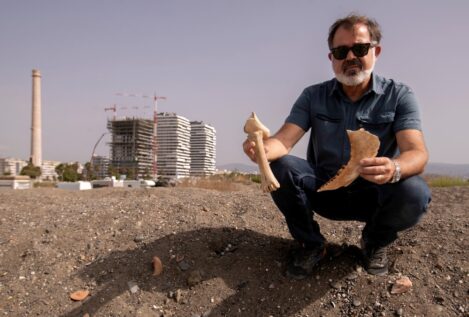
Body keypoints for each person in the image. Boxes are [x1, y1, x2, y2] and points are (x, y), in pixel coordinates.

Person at [243, 14, 431, 279]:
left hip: (374, 194)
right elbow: (283, 141)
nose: (350, 57)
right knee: (282, 166)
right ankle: (311, 244)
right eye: (341, 51)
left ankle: (374, 242)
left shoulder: (399, 95)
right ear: (331, 58)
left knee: (414, 190)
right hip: (325, 190)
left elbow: (417, 153)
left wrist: (394, 167)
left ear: (376, 51)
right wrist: (260, 150)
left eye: (360, 48)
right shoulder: (313, 96)